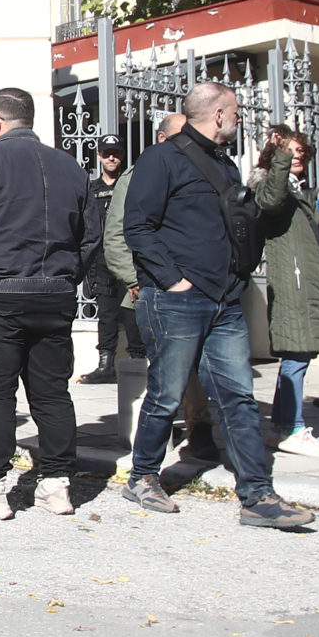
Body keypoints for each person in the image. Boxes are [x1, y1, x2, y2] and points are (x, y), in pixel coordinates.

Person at [122, 80, 315, 529]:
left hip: (226, 298)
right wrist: (173, 281)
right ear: (218, 114)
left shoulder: (224, 164)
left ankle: (258, 495)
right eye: (236, 110)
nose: (240, 117)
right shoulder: (161, 158)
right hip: (178, 301)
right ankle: (143, 475)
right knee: (166, 395)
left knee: (238, 397)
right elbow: (138, 226)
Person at [0, 88, 95, 520]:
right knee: (51, 392)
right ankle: (57, 485)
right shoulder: (70, 166)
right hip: (53, 294)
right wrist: (65, 279)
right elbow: (90, 236)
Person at [105, 113, 218, 462]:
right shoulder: (137, 176)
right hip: (154, 288)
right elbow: (118, 236)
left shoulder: (205, 169)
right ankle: (153, 451)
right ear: (161, 139)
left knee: (198, 367)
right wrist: (135, 281)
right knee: (164, 370)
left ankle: (200, 430)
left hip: (200, 287)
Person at [254, 126, 319, 459]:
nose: (297, 157)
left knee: (299, 356)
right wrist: (278, 159)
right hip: (292, 282)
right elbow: (269, 200)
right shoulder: (271, 185)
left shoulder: (299, 193)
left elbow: (317, 242)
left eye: (300, 152)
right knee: (295, 356)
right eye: (289, 151)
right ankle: (290, 427)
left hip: (306, 281)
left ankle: (284, 426)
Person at [79, 136, 134, 383]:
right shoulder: (90, 188)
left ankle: (138, 362)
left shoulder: (132, 184)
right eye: (107, 153)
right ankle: (106, 365)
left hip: (128, 258)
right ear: (99, 156)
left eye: (116, 153)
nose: (112, 157)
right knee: (107, 314)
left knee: (133, 314)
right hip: (101, 261)